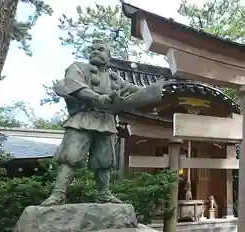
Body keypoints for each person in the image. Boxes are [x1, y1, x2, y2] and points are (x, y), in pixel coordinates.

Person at [41, 39, 160, 205]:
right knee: (71, 157)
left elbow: (134, 91)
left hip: (106, 121)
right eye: (93, 49)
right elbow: (77, 88)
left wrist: (155, 92)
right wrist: (98, 98)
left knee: (104, 160)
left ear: (109, 56)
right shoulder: (79, 68)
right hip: (83, 117)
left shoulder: (114, 78)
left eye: (101, 49)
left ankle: (103, 193)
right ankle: (58, 193)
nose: (95, 51)